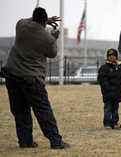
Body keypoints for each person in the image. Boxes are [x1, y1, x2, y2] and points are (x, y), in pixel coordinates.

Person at [0, 7, 69, 149]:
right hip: (32, 78)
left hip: (12, 76)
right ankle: (55, 141)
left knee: (20, 110)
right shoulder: (47, 38)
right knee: (43, 111)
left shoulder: (21, 26)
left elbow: (25, 19)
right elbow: (52, 54)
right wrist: (54, 37)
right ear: (44, 21)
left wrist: (43, 21)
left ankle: (25, 141)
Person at [98, 48, 121, 129]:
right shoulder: (104, 68)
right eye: (110, 56)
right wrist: (108, 88)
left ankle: (115, 122)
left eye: (113, 56)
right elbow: (102, 79)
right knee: (108, 108)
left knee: (115, 109)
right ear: (107, 57)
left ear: (116, 57)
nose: (112, 57)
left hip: (117, 93)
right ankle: (107, 123)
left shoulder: (119, 68)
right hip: (108, 93)